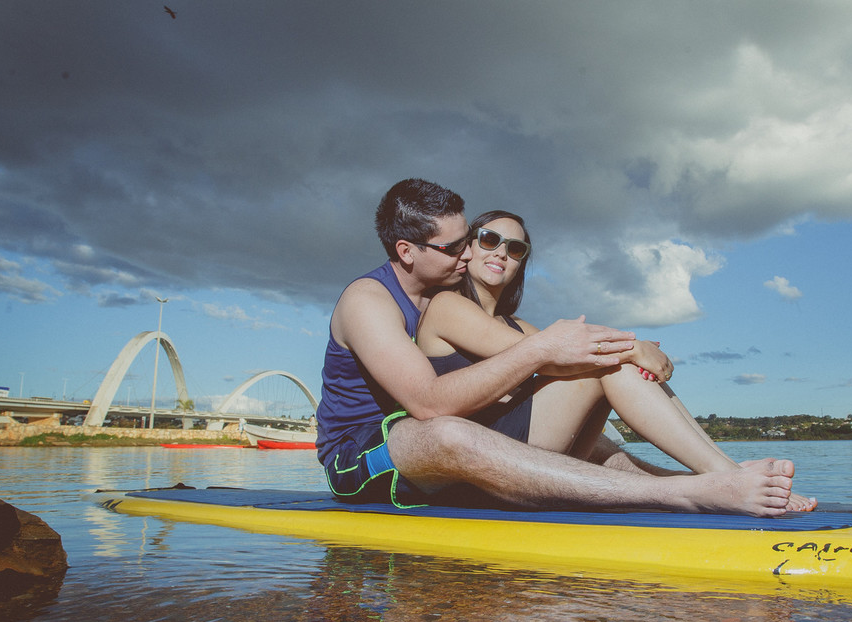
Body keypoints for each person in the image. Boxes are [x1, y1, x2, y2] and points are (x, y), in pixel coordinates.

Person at [316, 178, 808, 516]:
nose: (471, 253)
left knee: (596, 407)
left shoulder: (445, 300)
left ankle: (724, 477)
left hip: (435, 439)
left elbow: (565, 354)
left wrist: (627, 348)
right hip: (363, 453)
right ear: (406, 251)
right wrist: (560, 348)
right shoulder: (370, 300)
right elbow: (425, 403)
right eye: (459, 247)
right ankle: (690, 493)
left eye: (471, 240)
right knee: (448, 433)